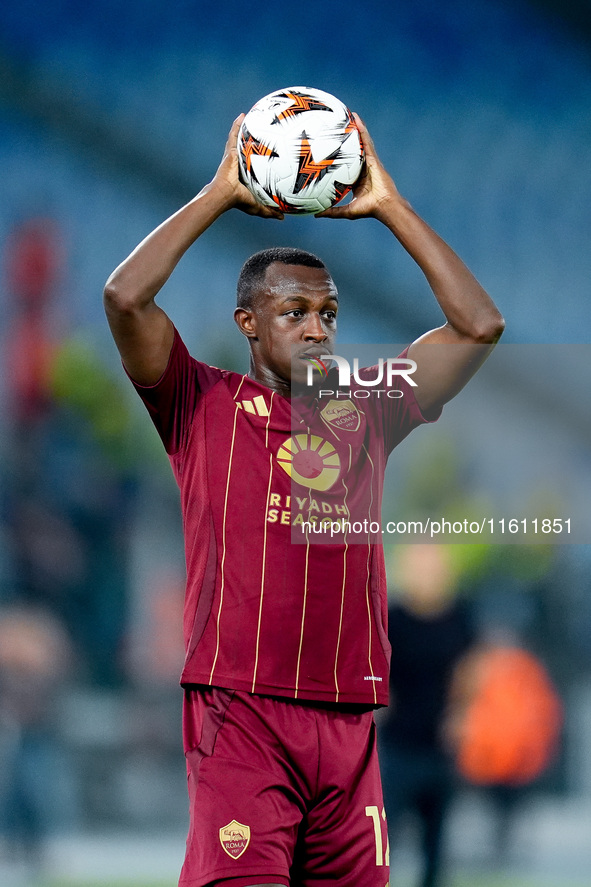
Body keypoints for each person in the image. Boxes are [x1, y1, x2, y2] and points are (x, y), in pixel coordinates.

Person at [103, 110, 504, 887]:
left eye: (327, 314)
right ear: (247, 324)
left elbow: (478, 325)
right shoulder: (197, 401)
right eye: (293, 312)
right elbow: (125, 298)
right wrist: (221, 191)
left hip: (348, 723)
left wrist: (387, 203)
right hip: (242, 711)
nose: (316, 329)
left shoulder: (366, 406)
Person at [378, 545, 477, 887]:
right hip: (400, 739)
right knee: (383, 834)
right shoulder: (395, 618)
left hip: (441, 743)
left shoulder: (460, 615)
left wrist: (461, 715)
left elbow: (468, 670)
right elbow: (377, 671)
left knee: (435, 842)